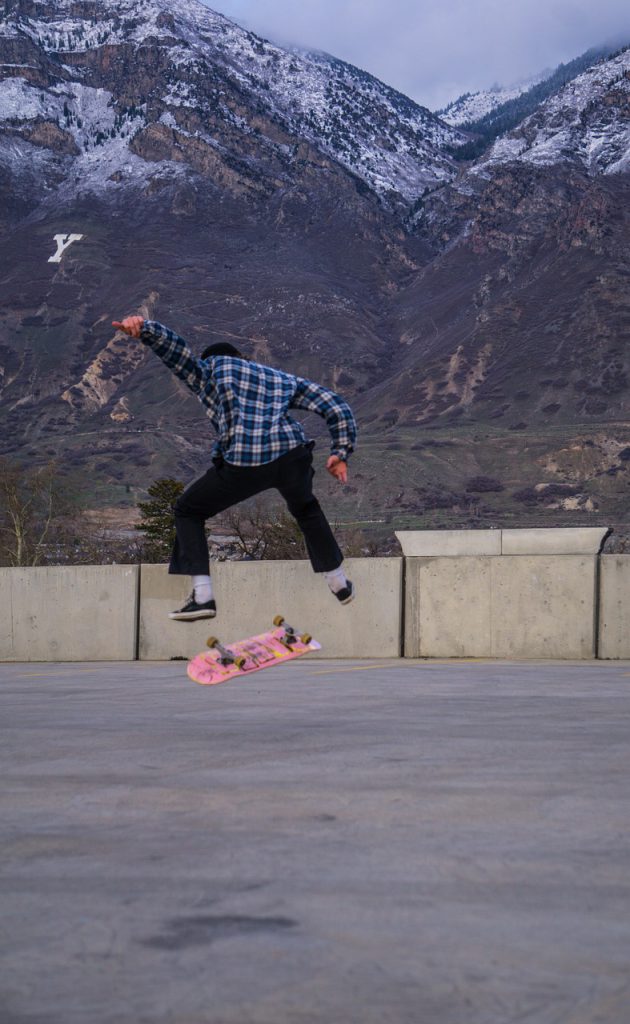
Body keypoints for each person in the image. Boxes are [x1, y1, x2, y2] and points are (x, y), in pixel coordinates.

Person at [112, 316, 358, 620]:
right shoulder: (277, 378)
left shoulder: (209, 371)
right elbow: (334, 404)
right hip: (293, 454)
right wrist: (341, 451)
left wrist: (145, 329)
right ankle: (338, 583)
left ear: (212, 359)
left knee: (188, 510)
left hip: (245, 460)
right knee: (306, 508)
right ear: (241, 359)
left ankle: (203, 596)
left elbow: (175, 351)